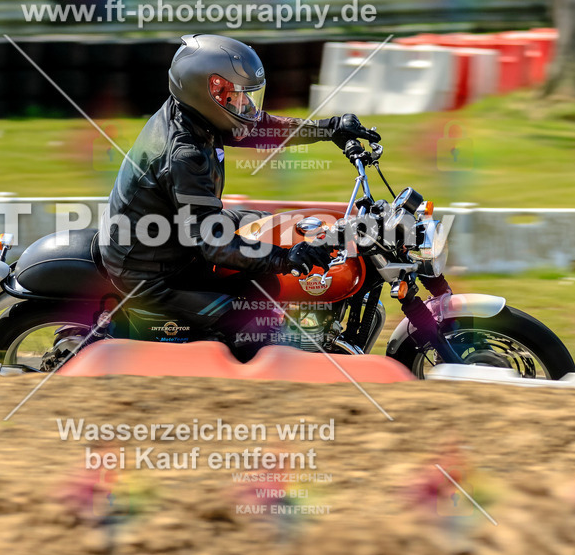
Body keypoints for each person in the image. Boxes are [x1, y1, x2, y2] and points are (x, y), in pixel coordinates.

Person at [98, 33, 380, 359]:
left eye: (248, 96)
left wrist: (328, 129)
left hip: (171, 234)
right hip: (152, 269)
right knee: (254, 323)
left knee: (276, 228)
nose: (247, 106)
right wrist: (286, 259)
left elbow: (261, 128)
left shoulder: (195, 116)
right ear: (207, 90)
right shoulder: (184, 153)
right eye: (236, 96)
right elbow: (211, 242)